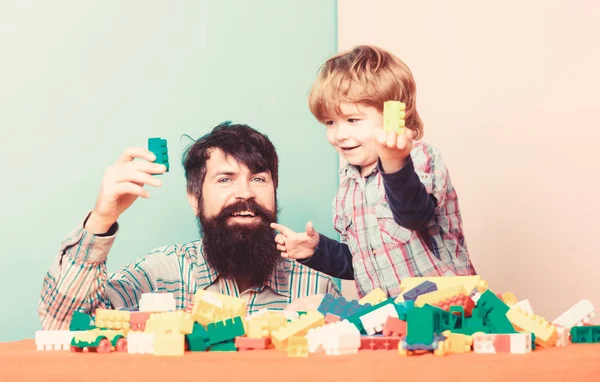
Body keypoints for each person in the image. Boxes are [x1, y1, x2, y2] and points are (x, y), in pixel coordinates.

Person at [38, 121, 340, 330]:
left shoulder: (316, 286)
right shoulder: (158, 275)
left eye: (259, 179)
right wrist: (102, 219)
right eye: (225, 179)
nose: (246, 193)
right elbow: (62, 324)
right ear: (195, 198)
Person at [271, 45, 477, 299]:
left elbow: (414, 216)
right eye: (330, 123)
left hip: (447, 309)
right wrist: (316, 251)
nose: (340, 134)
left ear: (393, 116)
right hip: (388, 319)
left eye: (353, 120)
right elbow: (363, 262)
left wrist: (394, 163)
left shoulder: (419, 157)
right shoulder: (348, 184)